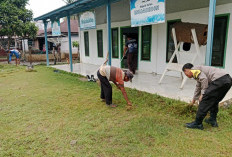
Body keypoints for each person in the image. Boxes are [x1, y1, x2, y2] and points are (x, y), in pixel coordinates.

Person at [182, 63, 232, 130]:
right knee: (214, 100)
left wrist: (202, 94)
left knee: (205, 99)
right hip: (228, 80)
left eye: (185, 73)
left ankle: (198, 123)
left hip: (219, 80)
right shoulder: (198, 72)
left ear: (187, 70)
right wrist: (193, 100)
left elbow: (204, 79)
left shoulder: (194, 69)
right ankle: (212, 120)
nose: (186, 75)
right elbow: (198, 86)